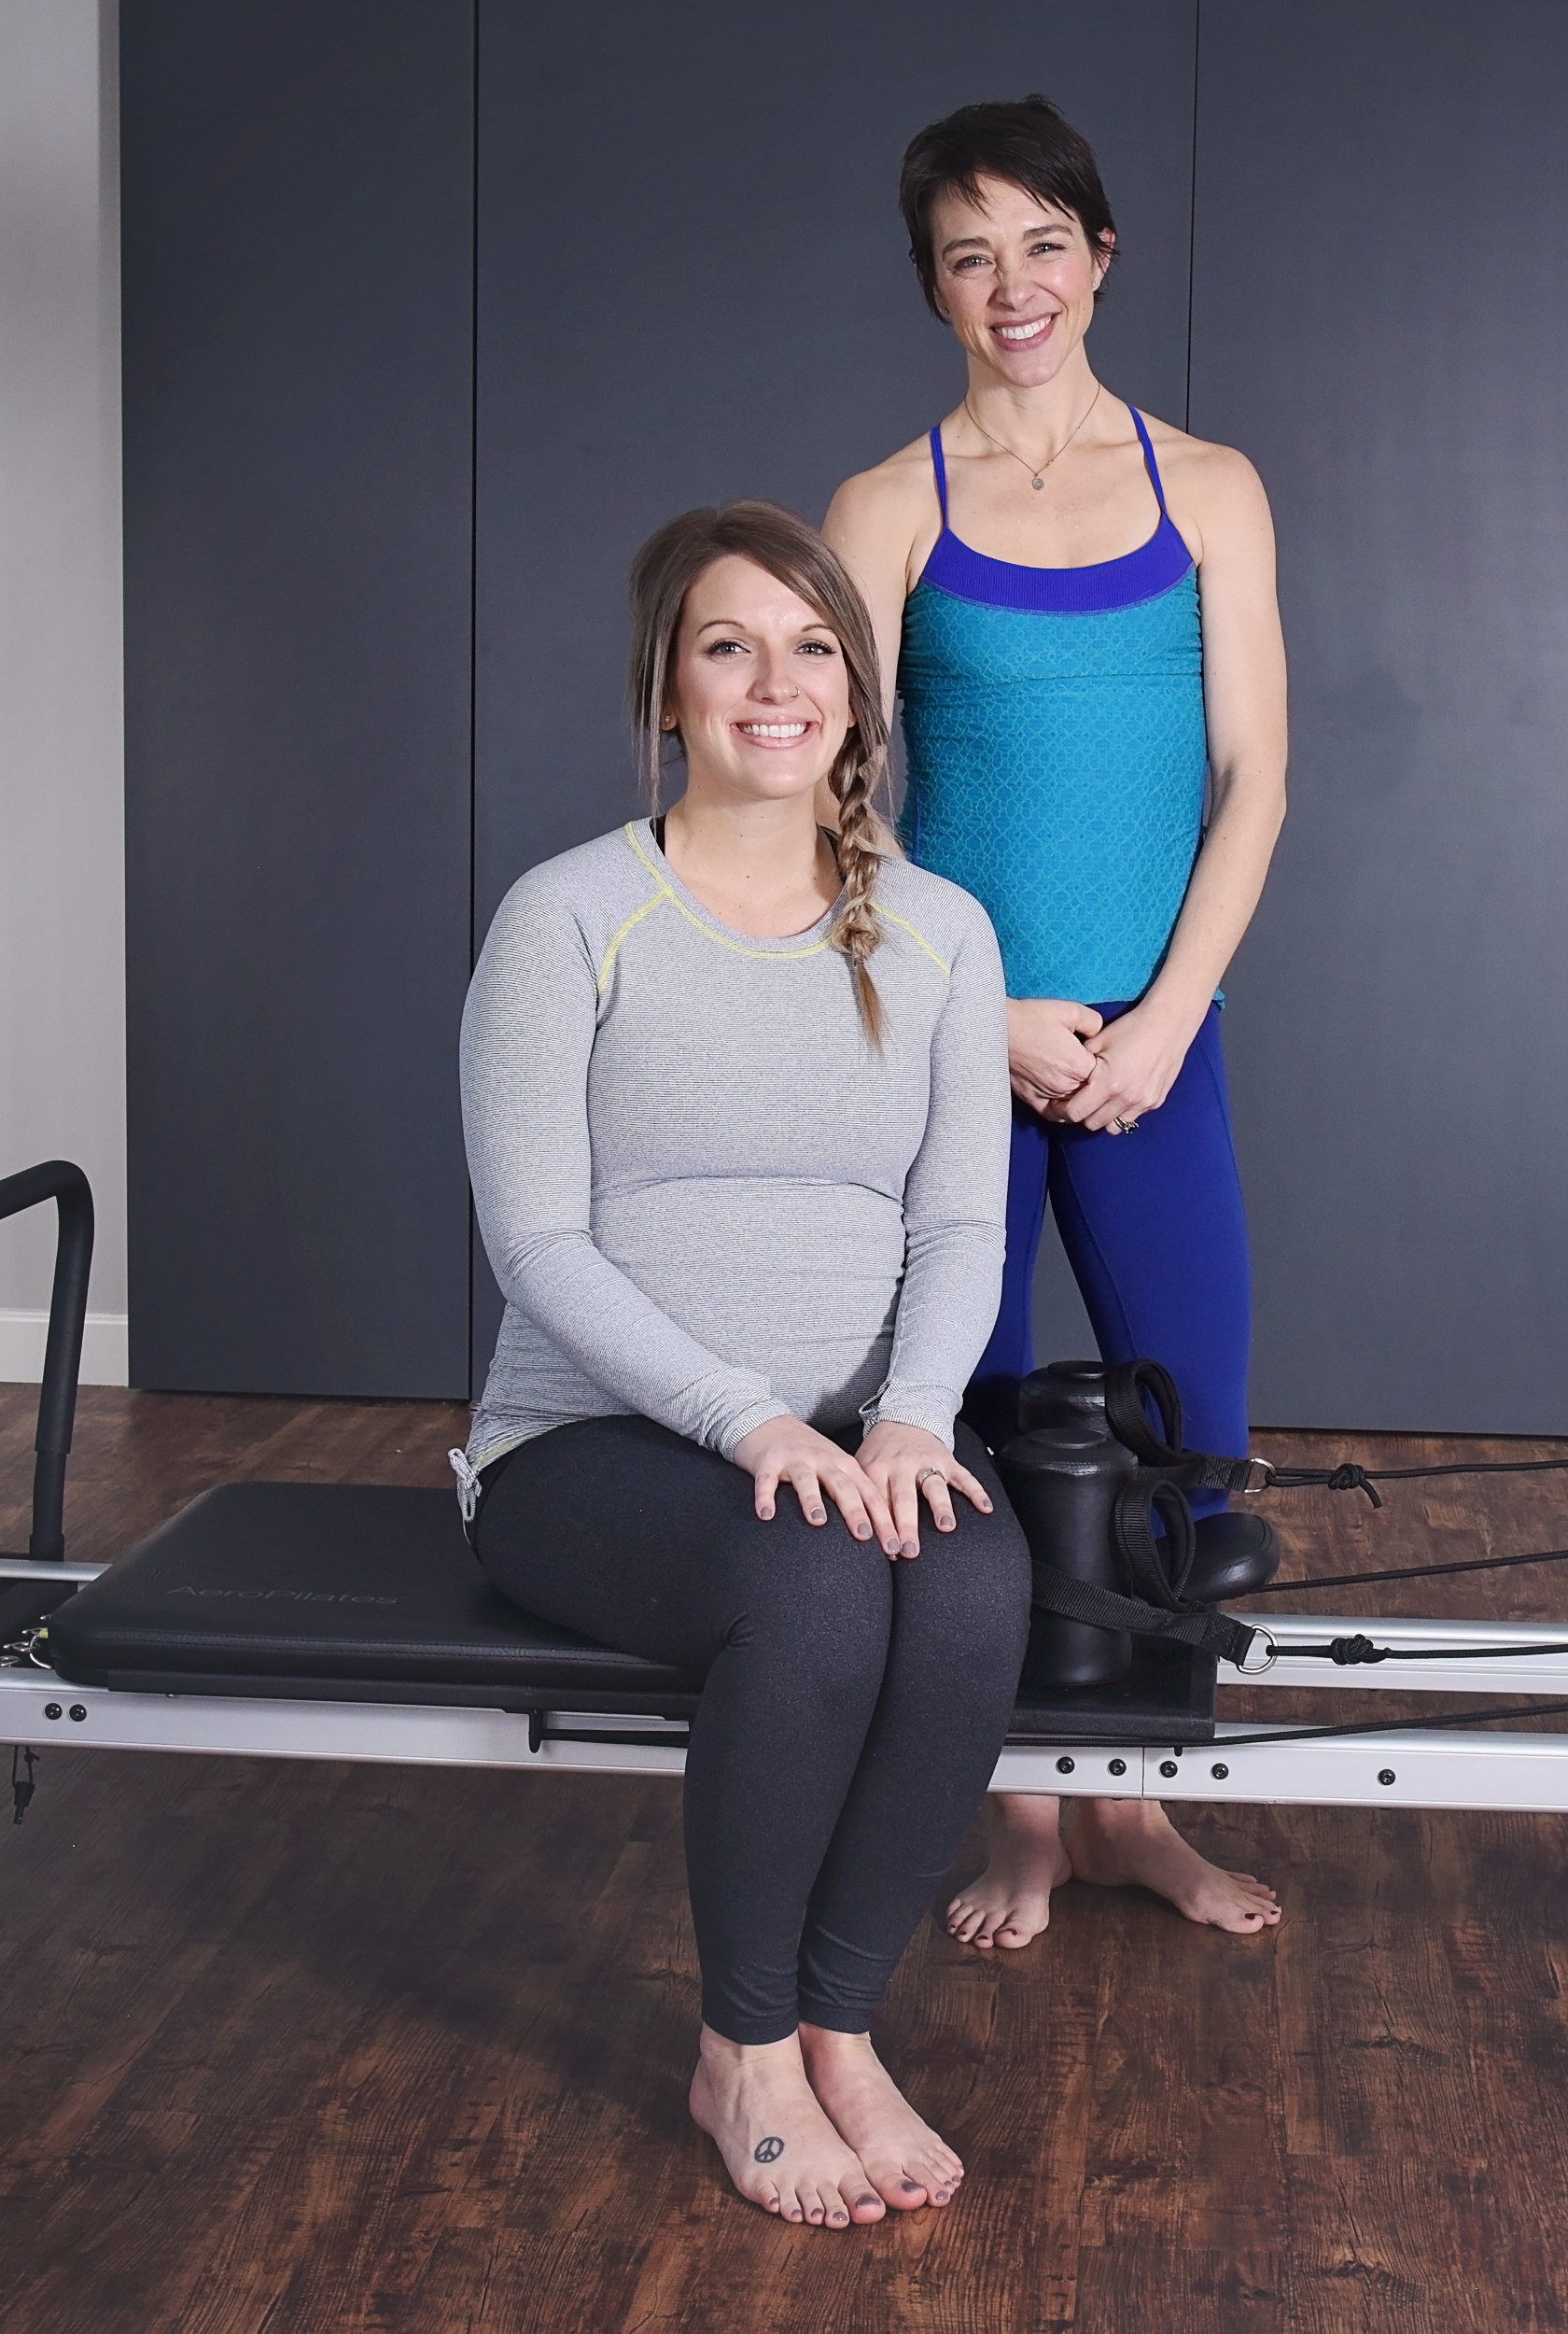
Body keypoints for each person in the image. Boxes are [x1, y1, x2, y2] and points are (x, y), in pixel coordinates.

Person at [456, 500, 1027, 2229]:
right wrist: (753, 1417)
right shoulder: (566, 918)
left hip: (857, 1435)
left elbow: (963, 1233)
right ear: (666, 688)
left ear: (855, 690)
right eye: (728, 645)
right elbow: (539, 1247)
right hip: (590, 1448)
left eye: (810, 646)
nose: (774, 682)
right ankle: (746, 2050)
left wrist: (912, 1418)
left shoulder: (940, 932)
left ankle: (844, 2029)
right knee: (820, 1591)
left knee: (979, 1579)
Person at [825, 96, 1289, 1950]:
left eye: (1040, 242)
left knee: (1194, 1434)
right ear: (930, 283)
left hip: (1154, 1037)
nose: (1008, 284)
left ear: (1098, 253)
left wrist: (1169, 1014)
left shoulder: (1212, 486)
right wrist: (979, 1008)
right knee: (974, 1428)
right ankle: (1018, 1810)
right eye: (967, 252)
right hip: (956, 1043)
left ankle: (1137, 1811)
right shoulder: (884, 506)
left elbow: (1252, 777)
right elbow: (835, 802)